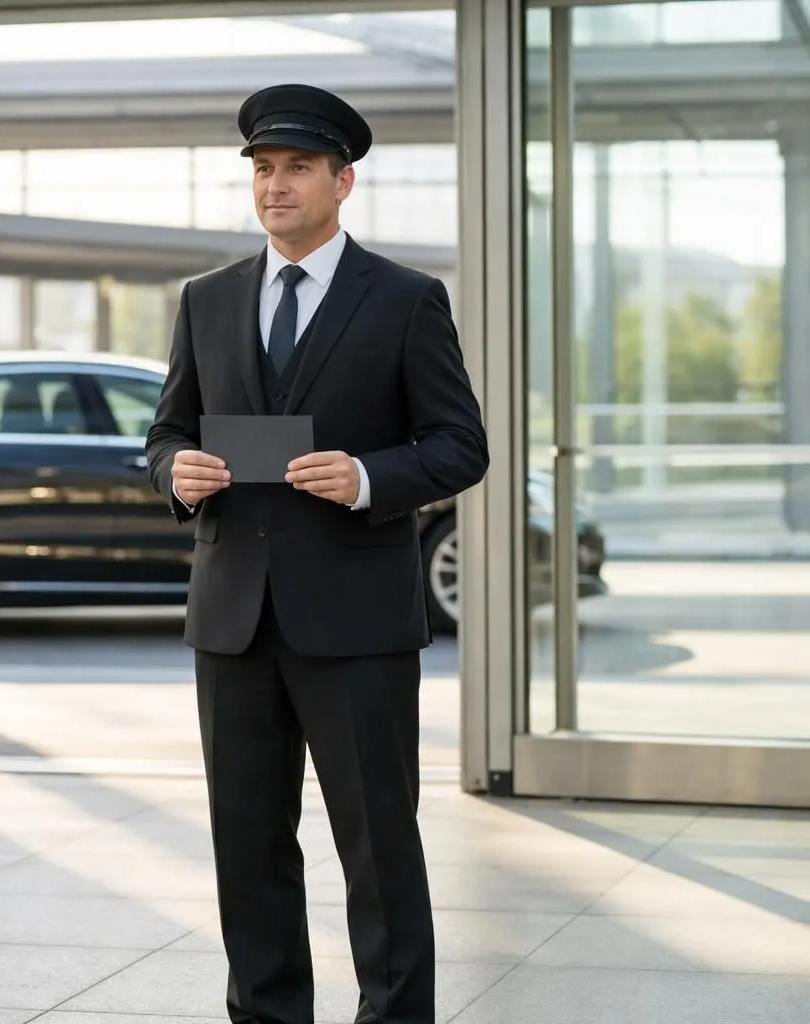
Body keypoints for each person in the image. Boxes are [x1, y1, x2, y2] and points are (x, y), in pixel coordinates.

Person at [145, 84, 489, 1024]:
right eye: (262, 169)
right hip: (233, 619)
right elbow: (165, 430)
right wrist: (180, 472)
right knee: (247, 844)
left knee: (377, 844)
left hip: (355, 621)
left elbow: (462, 444)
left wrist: (369, 476)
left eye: (296, 168)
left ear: (343, 182)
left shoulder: (408, 301)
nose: (275, 185)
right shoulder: (207, 299)